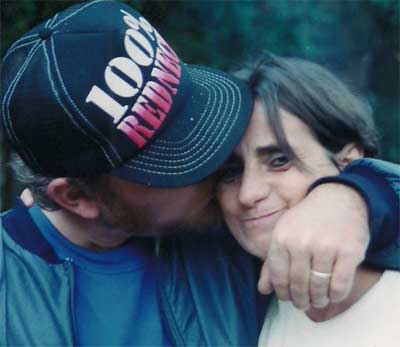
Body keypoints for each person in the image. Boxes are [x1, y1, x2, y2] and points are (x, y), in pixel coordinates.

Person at [0, 1, 399, 346]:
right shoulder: (13, 290)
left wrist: (354, 194)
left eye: (195, 122)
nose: (232, 180)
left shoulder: (230, 233)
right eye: (175, 160)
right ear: (76, 198)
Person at [217, 52, 400, 347]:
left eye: (279, 161)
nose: (248, 193)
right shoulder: (234, 300)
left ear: (348, 162)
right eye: (231, 172)